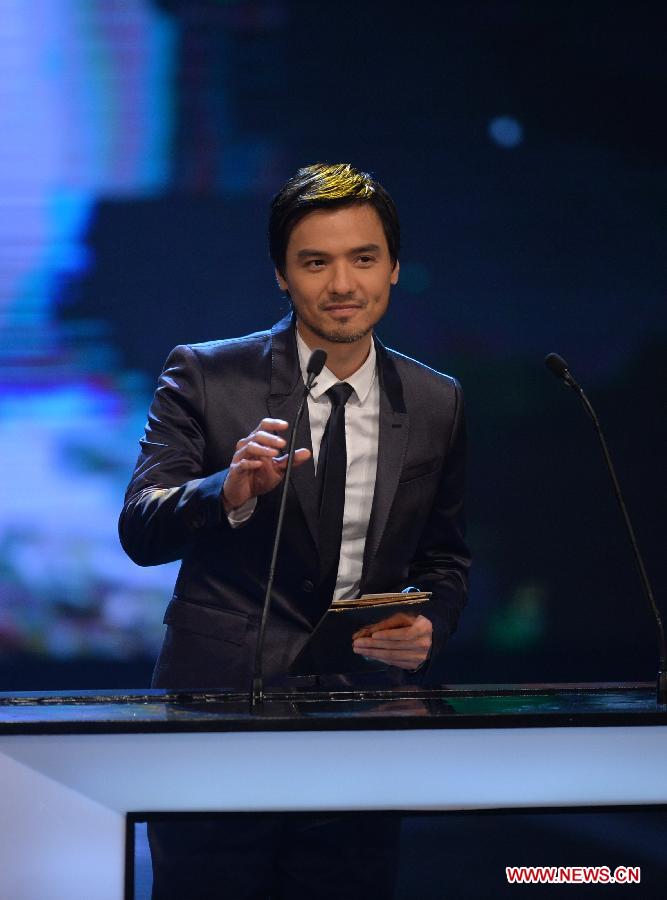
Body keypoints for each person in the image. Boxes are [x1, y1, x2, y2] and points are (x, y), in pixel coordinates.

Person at [119, 163, 470, 899]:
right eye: (316, 262)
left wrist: (428, 623)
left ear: (394, 268)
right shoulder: (208, 376)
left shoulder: (437, 401)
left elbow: (443, 556)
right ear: (282, 274)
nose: (342, 284)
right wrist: (227, 491)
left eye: (362, 258)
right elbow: (141, 528)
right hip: (216, 720)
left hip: (362, 719)